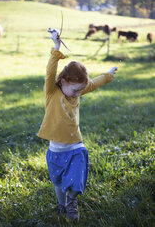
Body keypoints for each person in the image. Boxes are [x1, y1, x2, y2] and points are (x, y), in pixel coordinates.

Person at [37, 30, 118, 222]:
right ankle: (62, 205)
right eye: (75, 90)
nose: (78, 94)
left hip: (75, 147)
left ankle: (72, 202)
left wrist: (107, 75)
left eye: (81, 90)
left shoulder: (77, 90)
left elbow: (93, 84)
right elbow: (50, 71)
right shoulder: (52, 92)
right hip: (55, 151)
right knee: (58, 183)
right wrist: (56, 48)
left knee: (73, 181)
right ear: (64, 81)